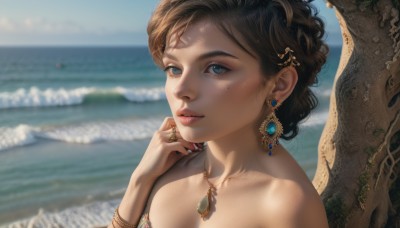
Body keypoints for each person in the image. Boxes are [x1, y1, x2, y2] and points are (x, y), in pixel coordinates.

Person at [109, 0, 329, 227]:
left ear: (279, 85)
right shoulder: (163, 168)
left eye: (216, 68)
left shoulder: (287, 204)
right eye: (174, 69)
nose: (181, 90)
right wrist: (140, 181)